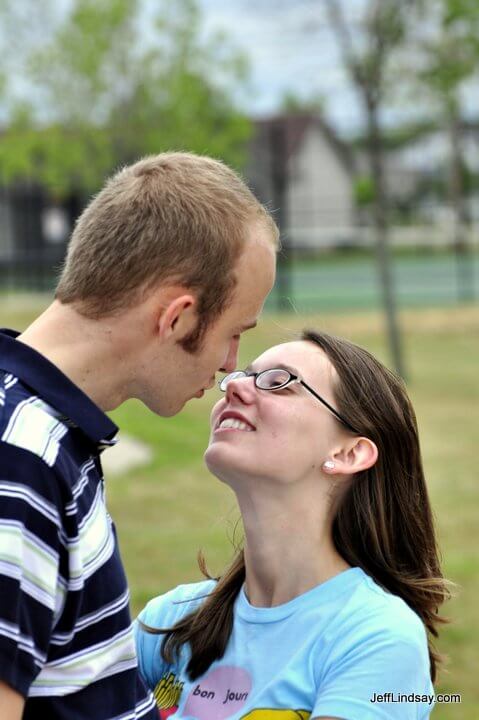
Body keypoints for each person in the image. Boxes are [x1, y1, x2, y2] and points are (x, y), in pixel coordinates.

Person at [0, 152, 278, 719]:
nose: (231, 365)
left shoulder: (51, 437)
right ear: (176, 317)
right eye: (233, 334)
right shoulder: (20, 457)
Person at [136, 330, 450, 720]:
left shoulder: (379, 637)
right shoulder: (168, 620)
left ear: (349, 452)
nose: (235, 389)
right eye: (241, 377)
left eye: (279, 382)